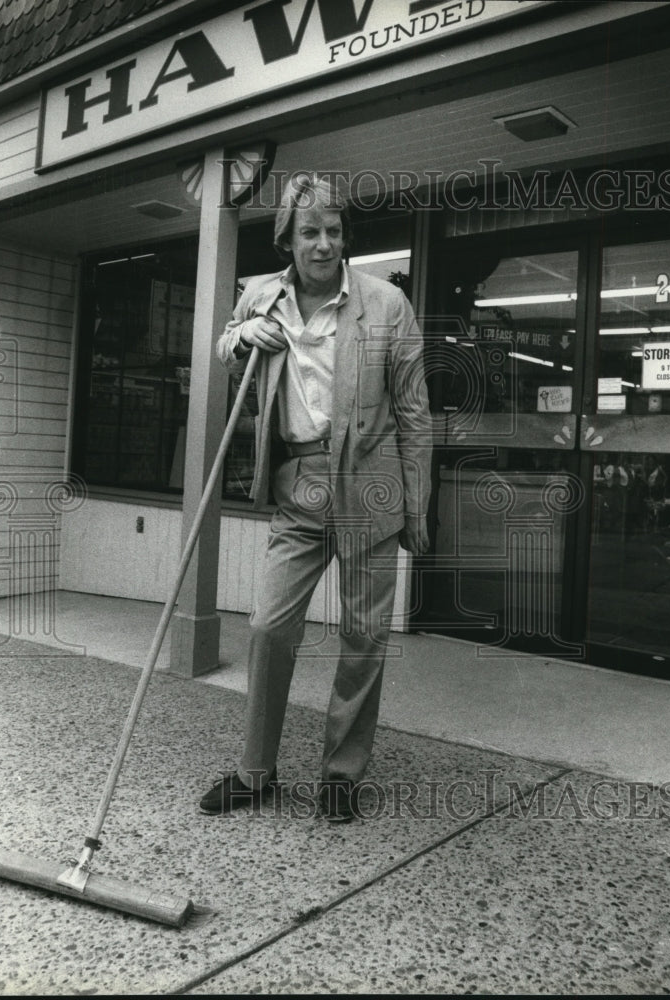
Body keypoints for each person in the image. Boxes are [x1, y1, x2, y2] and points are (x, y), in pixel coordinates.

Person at [199, 172, 431, 822]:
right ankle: (255, 771)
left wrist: (417, 506)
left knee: (362, 640)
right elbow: (224, 346)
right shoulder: (261, 297)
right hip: (299, 487)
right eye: (309, 232)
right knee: (269, 627)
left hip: (372, 488)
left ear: (343, 236)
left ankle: (339, 774)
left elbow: (415, 412)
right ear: (287, 240)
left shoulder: (387, 305)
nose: (323, 243)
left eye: (332, 230)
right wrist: (241, 339)